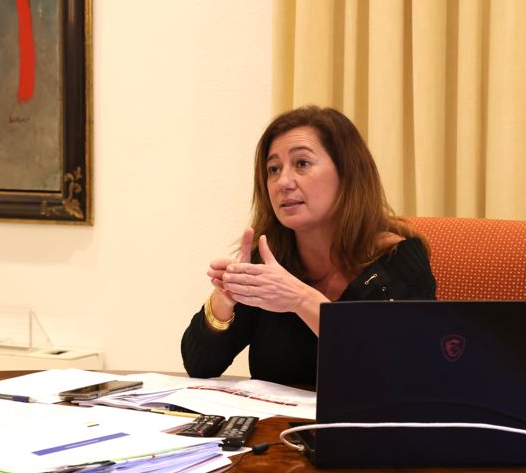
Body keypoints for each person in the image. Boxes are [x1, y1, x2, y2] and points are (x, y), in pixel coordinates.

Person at [180, 105, 436, 386]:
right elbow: (200, 365)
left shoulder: (396, 260)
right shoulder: (270, 261)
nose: (283, 182)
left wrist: (301, 300)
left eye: (302, 163)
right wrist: (224, 300)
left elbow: (403, 374)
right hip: (274, 416)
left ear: (347, 173)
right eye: (273, 169)